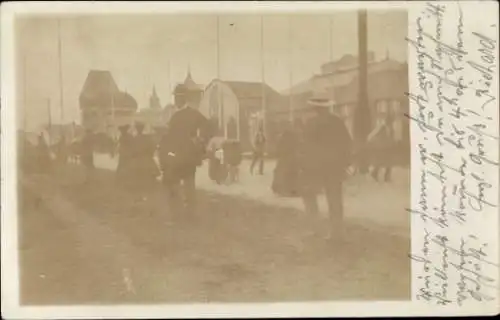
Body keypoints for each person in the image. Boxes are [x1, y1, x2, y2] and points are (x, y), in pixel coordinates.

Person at [299, 93, 352, 237]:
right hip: (333, 166)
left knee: (309, 195)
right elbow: (347, 143)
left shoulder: (311, 123)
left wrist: (304, 163)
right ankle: (336, 230)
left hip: (315, 166)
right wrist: (346, 164)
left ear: (315, 108)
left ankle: (315, 227)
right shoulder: (337, 122)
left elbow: (305, 146)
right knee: (334, 198)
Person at [158, 83, 212, 217]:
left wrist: (200, 141)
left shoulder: (189, 114)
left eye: (178, 97)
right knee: (179, 183)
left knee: (185, 184)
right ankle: (182, 213)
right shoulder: (176, 115)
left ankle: (187, 213)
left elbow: (208, 126)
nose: (176, 100)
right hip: (180, 155)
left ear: (183, 98)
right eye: (175, 97)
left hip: (184, 156)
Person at [131, 122, 160, 199]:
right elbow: (153, 148)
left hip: (138, 159)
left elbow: (132, 150)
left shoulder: (134, 139)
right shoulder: (147, 138)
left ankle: (141, 189)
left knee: (139, 175)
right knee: (147, 174)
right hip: (146, 158)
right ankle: (147, 189)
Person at [272, 122, 301, 197]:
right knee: (291, 174)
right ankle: (291, 189)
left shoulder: (283, 137)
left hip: (286, 158)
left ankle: (284, 189)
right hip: (291, 157)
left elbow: (279, 148)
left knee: (283, 173)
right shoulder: (294, 136)